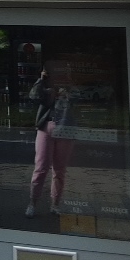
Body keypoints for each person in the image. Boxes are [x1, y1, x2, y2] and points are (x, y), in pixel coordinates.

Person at [25, 65, 76, 218]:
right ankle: (32, 203)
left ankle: (55, 204)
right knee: (41, 168)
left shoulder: (72, 88)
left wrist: (69, 90)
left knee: (59, 170)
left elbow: (80, 103)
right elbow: (34, 96)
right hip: (46, 126)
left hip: (66, 129)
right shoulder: (47, 87)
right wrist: (41, 79)